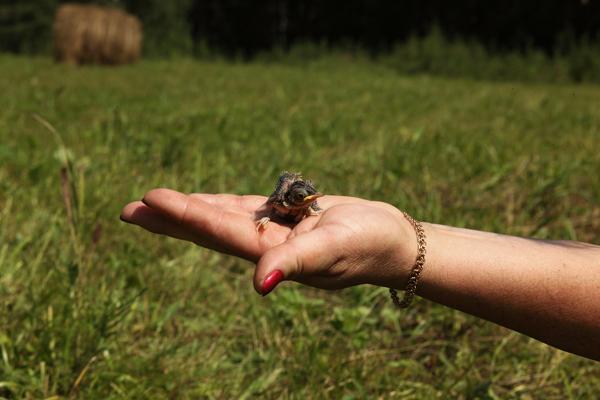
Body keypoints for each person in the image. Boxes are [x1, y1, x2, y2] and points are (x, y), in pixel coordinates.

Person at [120, 188, 600, 361]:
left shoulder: (309, 202)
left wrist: (403, 246)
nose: (305, 201)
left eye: (308, 199)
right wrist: (412, 242)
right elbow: (275, 204)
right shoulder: (285, 202)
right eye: (300, 198)